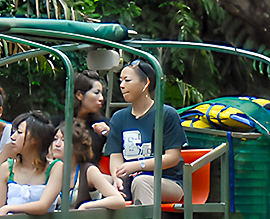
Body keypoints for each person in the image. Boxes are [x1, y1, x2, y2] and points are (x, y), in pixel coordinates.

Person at [104, 60, 187, 207]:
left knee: (141, 182)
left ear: (146, 83)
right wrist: (116, 177)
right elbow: (115, 155)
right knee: (97, 180)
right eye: (120, 80)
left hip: (167, 181)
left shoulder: (166, 114)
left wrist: (138, 165)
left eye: (127, 80)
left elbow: (173, 157)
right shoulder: (118, 118)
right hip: (129, 180)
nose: (122, 85)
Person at [0, 111, 64, 216]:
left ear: (36, 139)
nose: (13, 137)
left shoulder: (56, 167)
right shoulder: (7, 168)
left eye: (19, 132)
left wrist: (8, 208)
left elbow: (43, 206)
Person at [53, 120, 127, 210]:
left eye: (63, 140)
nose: (57, 144)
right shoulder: (50, 168)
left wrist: (86, 206)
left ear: (77, 146)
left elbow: (118, 200)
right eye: (55, 139)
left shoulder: (88, 171)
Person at [74, 72, 110, 147]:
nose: (101, 98)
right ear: (79, 95)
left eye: (101, 93)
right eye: (96, 93)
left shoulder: (104, 125)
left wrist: (109, 134)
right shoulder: (59, 124)